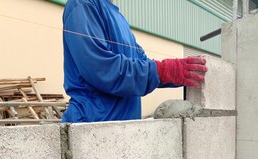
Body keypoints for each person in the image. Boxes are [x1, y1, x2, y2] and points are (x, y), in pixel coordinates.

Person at [62, 0, 207, 123]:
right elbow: (100, 69)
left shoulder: (118, 17)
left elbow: (141, 62)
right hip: (92, 125)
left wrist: (180, 73)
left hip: (125, 127)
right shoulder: (82, 5)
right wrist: (163, 71)